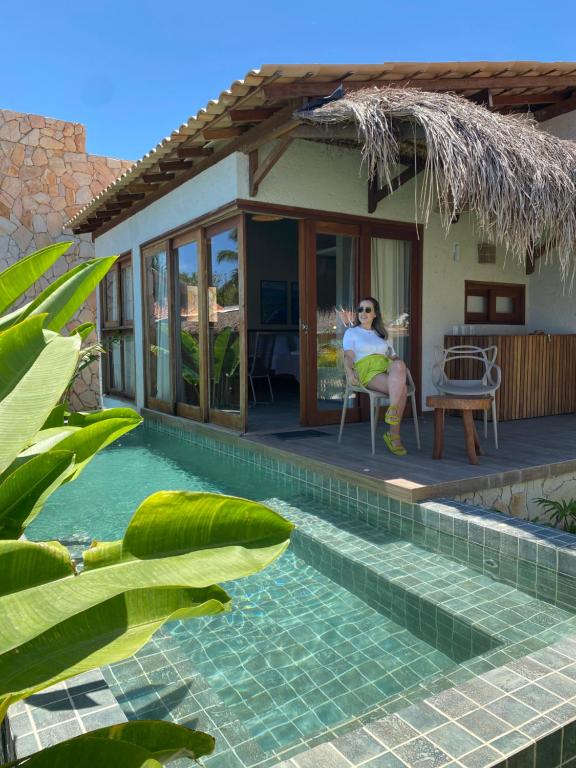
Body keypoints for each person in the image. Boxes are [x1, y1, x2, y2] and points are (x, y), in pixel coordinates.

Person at [342, 296, 408, 455]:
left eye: (367, 309)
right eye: (360, 309)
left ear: (375, 314)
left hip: (384, 367)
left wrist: (400, 366)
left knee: (399, 364)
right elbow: (349, 356)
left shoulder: (381, 334)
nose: (363, 313)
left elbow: (393, 356)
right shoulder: (352, 332)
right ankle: (394, 435)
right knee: (403, 391)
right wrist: (349, 372)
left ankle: (392, 410)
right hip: (367, 370)